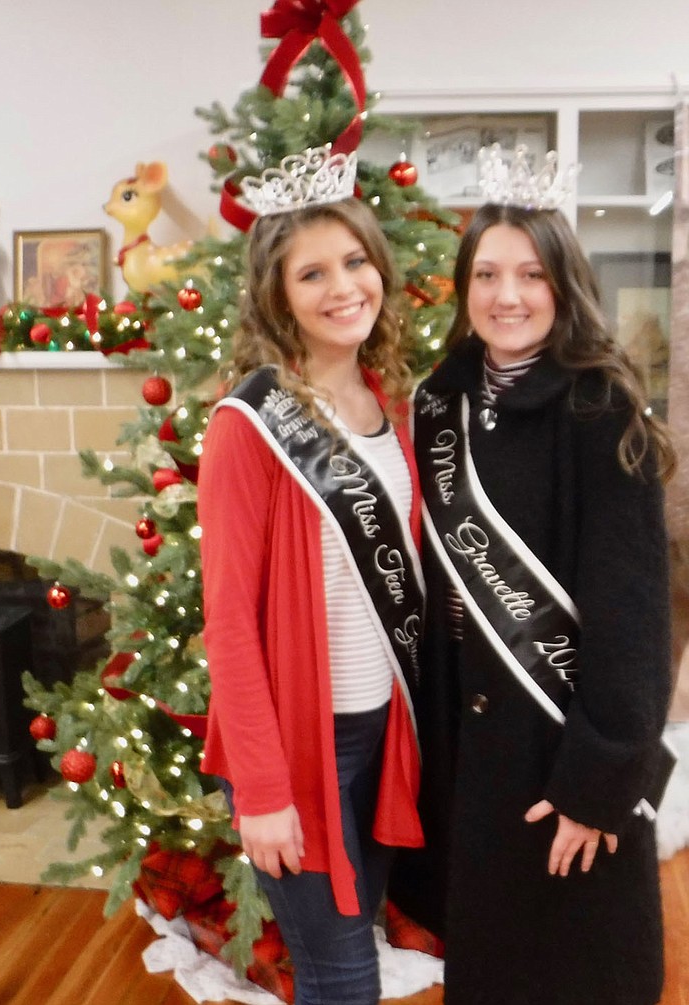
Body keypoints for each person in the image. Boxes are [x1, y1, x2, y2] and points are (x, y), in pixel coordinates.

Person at [391, 146, 677, 1005]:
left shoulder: (600, 407)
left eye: (529, 274)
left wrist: (595, 786)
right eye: (485, 273)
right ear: (462, 285)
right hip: (471, 755)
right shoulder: (437, 400)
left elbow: (634, 625)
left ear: (563, 285)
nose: (506, 295)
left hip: (563, 754)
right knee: (489, 970)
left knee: (577, 971)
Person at [197, 147, 425, 1005]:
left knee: (357, 933)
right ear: (277, 296)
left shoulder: (386, 407)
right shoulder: (247, 427)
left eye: (356, 261)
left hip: (377, 733)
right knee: (341, 977)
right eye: (313, 272)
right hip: (297, 747)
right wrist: (260, 789)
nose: (344, 286)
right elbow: (227, 621)